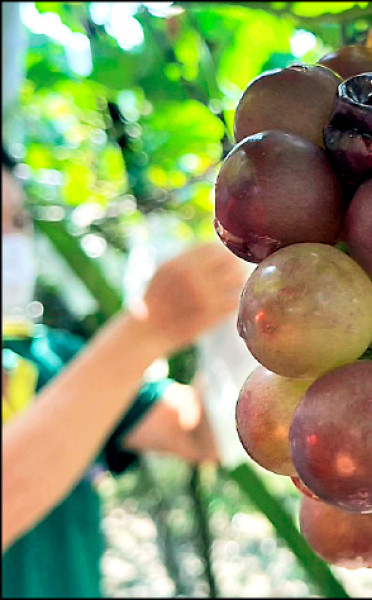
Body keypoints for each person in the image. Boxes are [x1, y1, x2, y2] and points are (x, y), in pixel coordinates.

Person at [1, 154, 248, 597]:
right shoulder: (89, 367)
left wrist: (238, 325)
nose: (10, 242)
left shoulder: (54, 358)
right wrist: (147, 330)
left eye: (18, 222)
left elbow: (199, 432)